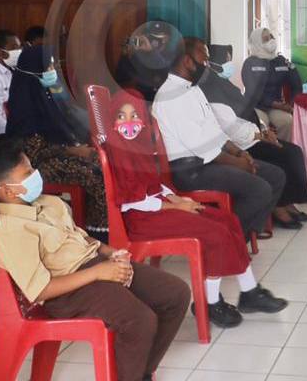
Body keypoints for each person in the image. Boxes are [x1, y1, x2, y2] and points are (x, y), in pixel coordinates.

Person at [0, 140, 190, 381]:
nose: (36, 175)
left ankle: (141, 372)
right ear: (8, 190)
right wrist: (99, 273)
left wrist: (110, 253)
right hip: (67, 292)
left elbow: (81, 236)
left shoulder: (50, 202)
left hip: (96, 264)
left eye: (32, 168)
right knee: (139, 320)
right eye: (27, 173)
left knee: (176, 294)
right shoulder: (13, 233)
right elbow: (42, 290)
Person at [105, 91, 288, 327]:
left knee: (228, 221)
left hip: (160, 208)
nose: (128, 122)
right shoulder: (117, 151)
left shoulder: (141, 147)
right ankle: (211, 303)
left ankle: (250, 291)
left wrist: (175, 199)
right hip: (142, 219)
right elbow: (130, 201)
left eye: (134, 115)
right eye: (121, 116)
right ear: (112, 120)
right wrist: (176, 205)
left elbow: (156, 184)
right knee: (215, 234)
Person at [153, 39, 286, 240]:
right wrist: (237, 164)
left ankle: (240, 235)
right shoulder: (171, 95)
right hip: (190, 170)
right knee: (260, 189)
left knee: (276, 175)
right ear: (188, 61)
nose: (207, 65)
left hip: (209, 162)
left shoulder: (193, 89)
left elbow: (215, 132)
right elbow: (200, 146)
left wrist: (240, 153)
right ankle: (219, 240)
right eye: (204, 60)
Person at [198, 51, 307, 229]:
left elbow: (246, 114)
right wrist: (259, 136)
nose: (230, 65)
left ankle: (288, 201)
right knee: (283, 156)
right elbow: (229, 126)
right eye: (226, 61)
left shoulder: (224, 85)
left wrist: (264, 131)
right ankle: (278, 207)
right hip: (241, 143)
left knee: (293, 151)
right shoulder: (209, 91)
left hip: (251, 136)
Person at [6, 45, 107, 234]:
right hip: (34, 166)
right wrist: (73, 151)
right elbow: (35, 151)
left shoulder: (45, 95)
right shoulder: (24, 104)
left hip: (56, 154)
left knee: (103, 164)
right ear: (35, 70)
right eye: (48, 67)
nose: (53, 71)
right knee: (94, 173)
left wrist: (77, 146)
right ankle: (99, 233)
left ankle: (95, 222)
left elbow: (67, 123)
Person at [241, 27, 302, 143]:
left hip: (276, 107)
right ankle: (265, 157)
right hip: (256, 106)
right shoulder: (249, 63)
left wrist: (292, 104)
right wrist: (278, 105)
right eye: (265, 39)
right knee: (260, 124)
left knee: (287, 122)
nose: (271, 40)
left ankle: (283, 152)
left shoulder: (281, 61)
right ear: (257, 43)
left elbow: (296, 84)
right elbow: (254, 93)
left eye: (271, 37)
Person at [115, 22, 179, 102]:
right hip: (140, 102)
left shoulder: (172, 56)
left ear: (166, 38)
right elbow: (120, 78)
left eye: (158, 35)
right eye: (151, 35)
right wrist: (125, 55)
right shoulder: (140, 56)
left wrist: (151, 52)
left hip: (161, 102)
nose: (154, 39)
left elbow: (167, 77)